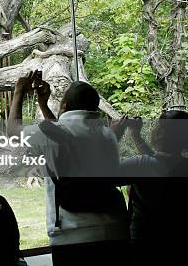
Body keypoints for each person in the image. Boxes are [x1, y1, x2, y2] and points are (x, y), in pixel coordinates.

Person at [8, 72, 129, 266]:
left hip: (73, 236)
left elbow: (14, 134)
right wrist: (43, 104)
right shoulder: (108, 134)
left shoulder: (57, 133)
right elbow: (64, 137)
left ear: (64, 106)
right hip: (116, 231)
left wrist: (19, 91)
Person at [120, 110, 188, 265]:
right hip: (183, 247)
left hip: (146, 248)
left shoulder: (142, 164)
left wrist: (112, 135)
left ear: (161, 133)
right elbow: (158, 165)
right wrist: (136, 136)